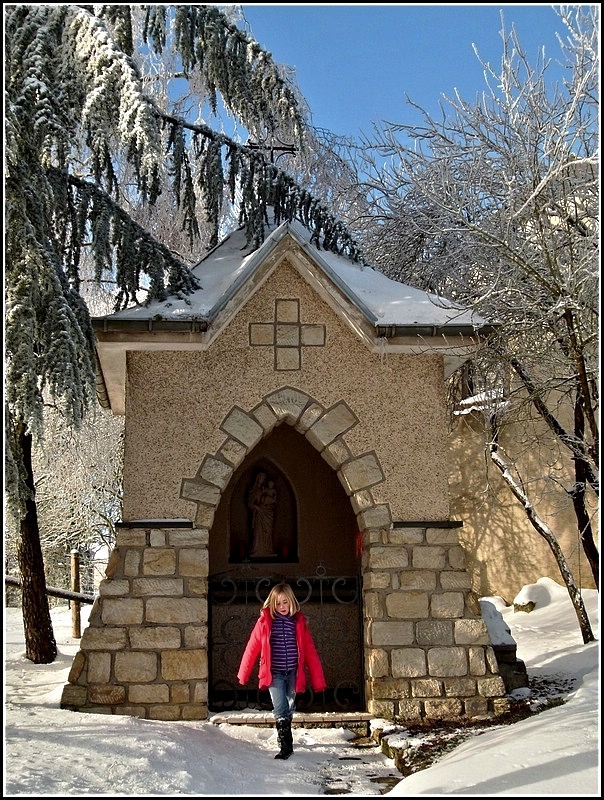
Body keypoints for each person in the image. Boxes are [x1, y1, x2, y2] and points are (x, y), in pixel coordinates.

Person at [237, 583, 327, 760]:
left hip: (294, 672)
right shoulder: (265, 622)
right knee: (280, 709)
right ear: (272, 604)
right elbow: (251, 647)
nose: (282, 607)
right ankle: (286, 745)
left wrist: (318, 680)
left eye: (285, 602)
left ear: (291, 602)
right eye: (278, 603)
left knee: (290, 707)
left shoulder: (298, 623)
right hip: (274, 673)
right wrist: (243, 673)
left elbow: (310, 651)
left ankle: (284, 734)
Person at [248, 473, 277, 557]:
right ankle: (257, 550)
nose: (263, 480)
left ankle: (268, 550)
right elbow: (250, 503)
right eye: (261, 478)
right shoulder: (254, 489)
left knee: (268, 531)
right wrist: (257, 507)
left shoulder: (266, 489)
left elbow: (274, 499)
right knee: (259, 531)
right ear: (258, 478)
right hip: (259, 513)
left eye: (264, 478)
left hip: (267, 512)